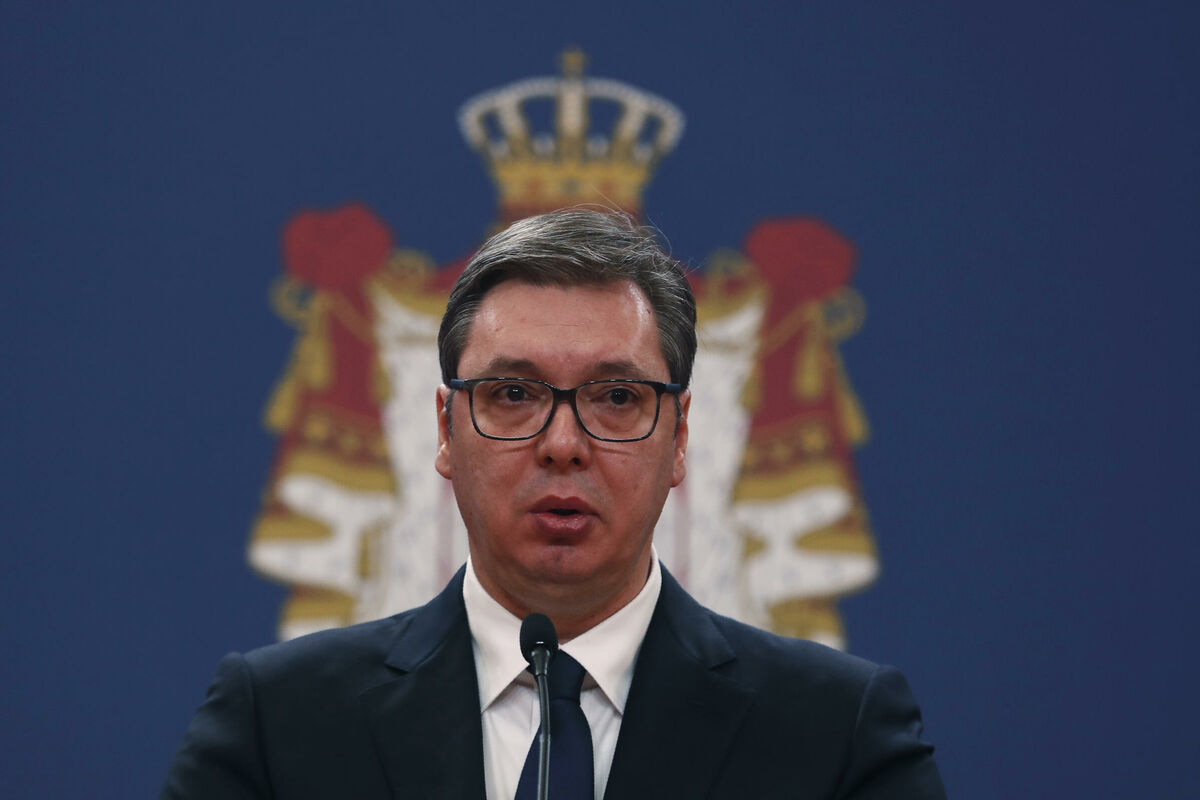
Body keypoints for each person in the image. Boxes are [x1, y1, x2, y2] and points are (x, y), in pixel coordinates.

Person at [162, 208, 946, 799]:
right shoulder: (280, 722)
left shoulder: (836, 733)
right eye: (513, 394)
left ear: (679, 439)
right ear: (445, 429)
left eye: (616, 397)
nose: (562, 443)